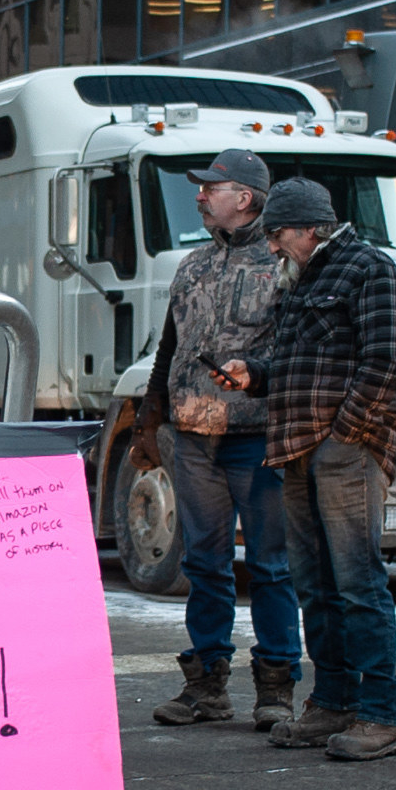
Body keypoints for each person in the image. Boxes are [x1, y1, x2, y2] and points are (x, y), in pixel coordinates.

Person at [216, 175, 396, 762]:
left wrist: (341, 436)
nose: (272, 246)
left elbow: (389, 361)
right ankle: (332, 702)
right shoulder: (304, 279)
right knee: (317, 587)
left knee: (358, 583)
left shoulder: (370, 270)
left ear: (310, 228)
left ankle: (382, 715)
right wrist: (258, 372)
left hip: (343, 451)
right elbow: (302, 365)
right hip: (297, 449)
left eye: (278, 234)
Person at [137, 147, 302, 730]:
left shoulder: (283, 265)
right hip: (192, 439)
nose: (201, 195)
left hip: (255, 439)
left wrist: (255, 371)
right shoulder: (192, 267)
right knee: (204, 564)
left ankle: (276, 689)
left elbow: (297, 352)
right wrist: (151, 415)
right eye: (201, 187)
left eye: (213, 187)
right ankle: (205, 687)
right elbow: (169, 347)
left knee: (270, 566)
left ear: (247, 198)